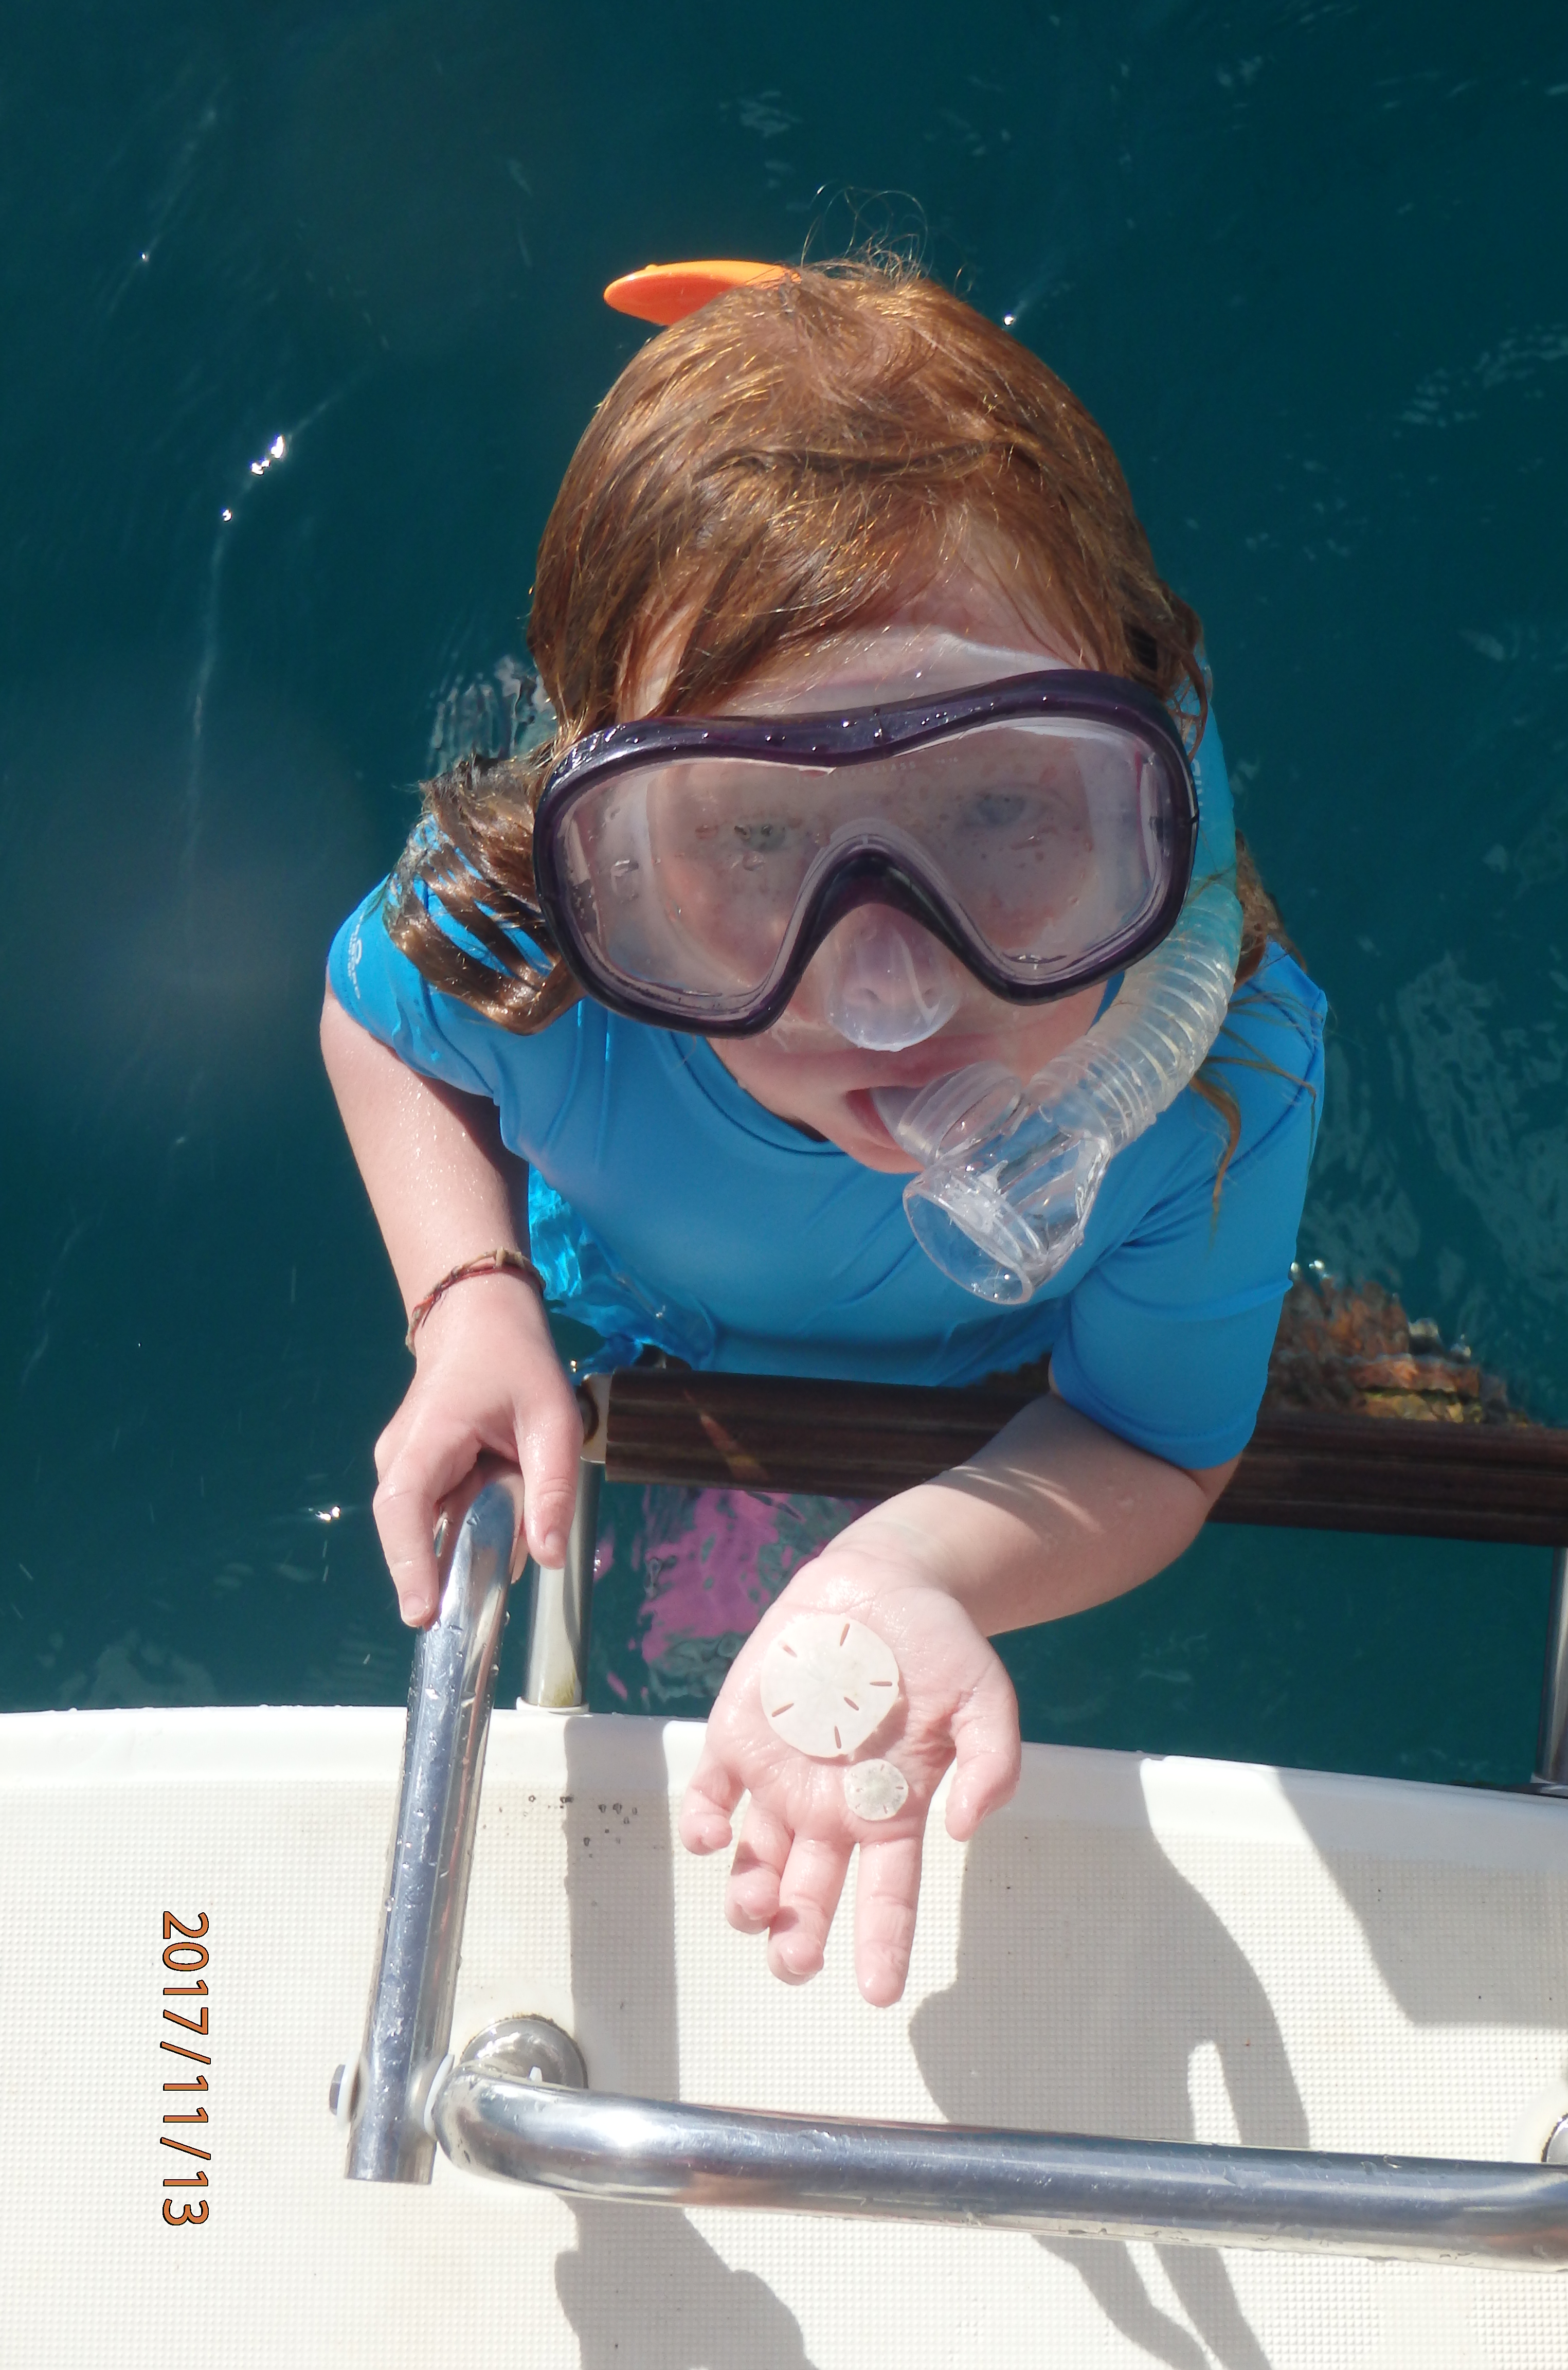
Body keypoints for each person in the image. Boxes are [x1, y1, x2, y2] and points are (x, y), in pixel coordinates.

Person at [321, 256, 1324, 2008]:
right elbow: (376, 1018)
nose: (890, 986)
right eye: (758, 839)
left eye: (1001, 809)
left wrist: (913, 1558)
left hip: (1010, 1404)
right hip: (638, 1337)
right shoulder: (541, 956)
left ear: (1143, 799)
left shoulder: (1214, 1083)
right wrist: (468, 1296)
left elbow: (1153, 1447)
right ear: (608, 854)